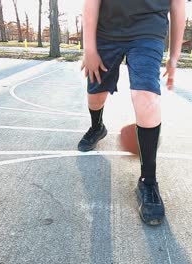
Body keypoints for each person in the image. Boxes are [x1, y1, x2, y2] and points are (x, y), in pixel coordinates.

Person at [78, 0, 185, 225]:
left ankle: (148, 182)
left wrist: (174, 57)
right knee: (96, 95)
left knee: (146, 97)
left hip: (148, 31)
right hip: (106, 31)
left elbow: (178, 7)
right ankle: (97, 126)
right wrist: (89, 48)